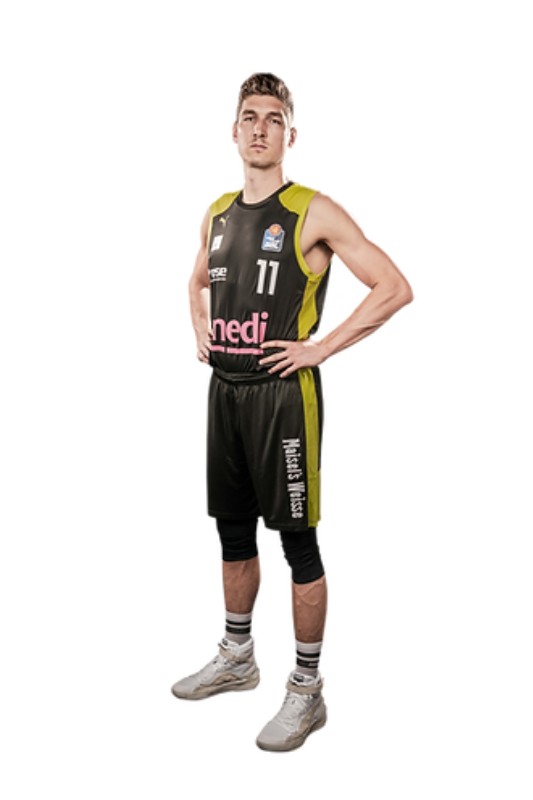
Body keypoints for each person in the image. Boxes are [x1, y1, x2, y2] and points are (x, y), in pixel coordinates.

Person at [171, 72, 413, 752]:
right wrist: (199, 325)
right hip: (224, 391)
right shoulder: (217, 213)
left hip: (283, 399)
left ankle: (306, 690)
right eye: (249, 116)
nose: (259, 128)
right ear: (233, 130)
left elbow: (393, 286)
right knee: (231, 531)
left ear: (290, 135)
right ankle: (236, 656)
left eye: (272, 118)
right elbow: (195, 281)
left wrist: (319, 348)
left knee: (296, 542)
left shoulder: (313, 211)